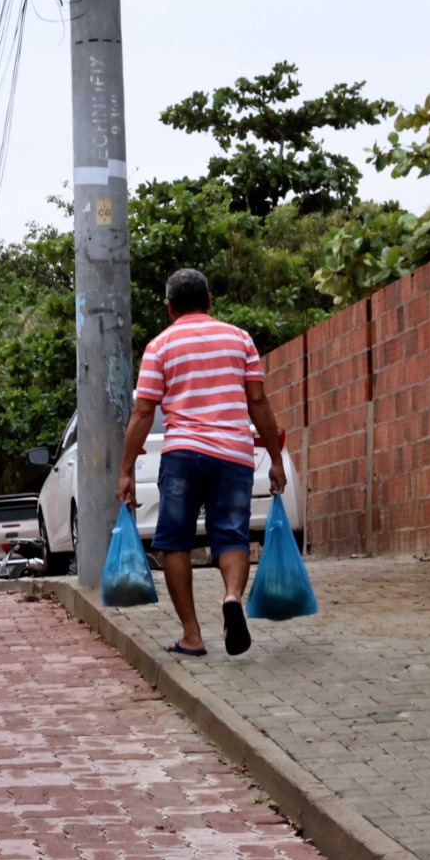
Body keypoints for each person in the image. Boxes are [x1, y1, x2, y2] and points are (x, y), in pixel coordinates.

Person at [117, 268, 289, 658]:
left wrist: (127, 471)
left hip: (182, 456)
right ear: (209, 300)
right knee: (231, 535)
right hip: (233, 454)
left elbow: (143, 413)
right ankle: (231, 598)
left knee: (175, 541)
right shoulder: (239, 339)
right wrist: (275, 460)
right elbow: (257, 402)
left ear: (169, 307)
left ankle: (192, 636)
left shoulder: (159, 347)